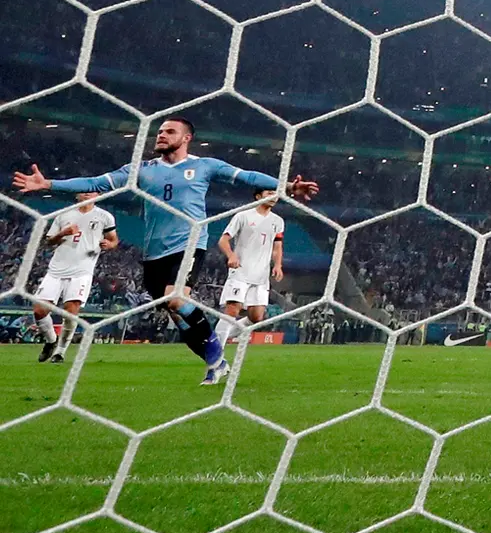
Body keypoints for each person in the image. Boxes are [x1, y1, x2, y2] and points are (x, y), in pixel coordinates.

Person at [12, 117, 318, 385]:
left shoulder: (204, 166)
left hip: (189, 244)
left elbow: (248, 177)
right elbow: (96, 182)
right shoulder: (142, 170)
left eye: (169, 131)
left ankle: (216, 355)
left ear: (186, 138)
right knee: (176, 315)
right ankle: (216, 362)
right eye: (159, 131)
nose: (161, 135)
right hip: (154, 253)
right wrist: (48, 184)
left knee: (176, 299)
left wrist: (288, 187)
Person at [34, 192, 118, 363]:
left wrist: (109, 245)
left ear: (98, 194)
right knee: (39, 311)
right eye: (84, 190)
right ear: (77, 195)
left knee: (70, 313)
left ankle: (60, 353)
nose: (87, 194)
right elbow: (49, 241)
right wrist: (62, 233)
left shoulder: (105, 217)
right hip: (56, 271)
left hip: (82, 272)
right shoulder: (64, 214)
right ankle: (51, 341)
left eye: (91, 190)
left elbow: (114, 240)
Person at [215, 188, 284, 347]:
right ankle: (216, 350)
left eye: (275, 193)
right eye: (269, 193)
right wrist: (231, 255)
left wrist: (278, 265)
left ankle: (215, 339)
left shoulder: (278, 221)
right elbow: (223, 240)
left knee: (256, 317)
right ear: (258, 196)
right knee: (232, 310)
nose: (273, 196)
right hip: (241, 272)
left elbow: (277, 246)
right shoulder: (243, 216)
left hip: (261, 276)